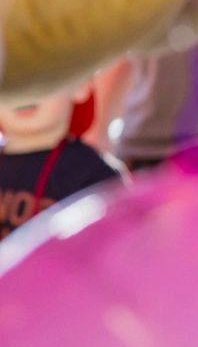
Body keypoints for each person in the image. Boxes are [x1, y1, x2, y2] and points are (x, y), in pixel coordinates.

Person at [0, 83, 123, 242]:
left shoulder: (98, 178)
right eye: (11, 79)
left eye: (44, 76)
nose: (26, 93)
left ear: (81, 85)